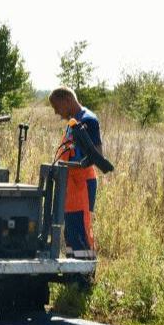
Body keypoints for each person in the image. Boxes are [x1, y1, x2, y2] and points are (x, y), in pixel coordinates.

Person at [49, 86, 103, 259]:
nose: (57, 112)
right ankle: (73, 274)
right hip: (70, 185)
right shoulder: (72, 123)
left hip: (83, 185)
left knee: (82, 230)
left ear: (67, 100)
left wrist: (65, 166)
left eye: (57, 107)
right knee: (71, 232)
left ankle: (84, 276)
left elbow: (96, 157)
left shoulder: (88, 120)